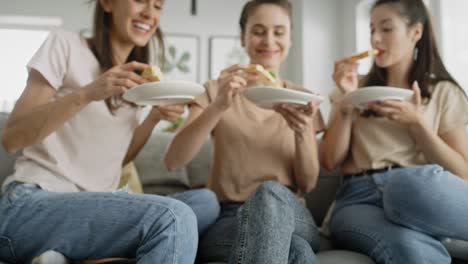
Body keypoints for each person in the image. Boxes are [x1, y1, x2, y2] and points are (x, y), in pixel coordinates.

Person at [0, 0, 219, 263]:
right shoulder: (66, 45)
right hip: (31, 204)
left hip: (95, 206)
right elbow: (12, 138)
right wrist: (88, 93)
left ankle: (70, 253)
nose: (150, 14)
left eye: (158, 5)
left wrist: (152, 116)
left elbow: (117, 159)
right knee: (173, 217)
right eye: (140, 0)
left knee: (205, 202)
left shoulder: (139, 84)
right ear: (107, 3)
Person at [164, 0, 325, 263]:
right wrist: (218, 107)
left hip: (291, 211)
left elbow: (308, 183)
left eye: (279, 32)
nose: (269, 40)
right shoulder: (217, 90)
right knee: (298, 253)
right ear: (243, 37)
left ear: (291, 38)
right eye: (259, 31)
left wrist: (302, 130)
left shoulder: (304, 99)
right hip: (230, 215)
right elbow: (173, 161)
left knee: (269, 194)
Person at [320, 0, 468, 263]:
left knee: (407, 183)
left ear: (416, 32)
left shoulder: (445, 92)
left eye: (386, 29)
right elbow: (330, 161)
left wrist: (418, 126)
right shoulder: (355, 89)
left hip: (419, 192)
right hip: (359, 199)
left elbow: (462, 174)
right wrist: (347, 102)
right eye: (372, 29)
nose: (376, 38)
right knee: (408, 246)